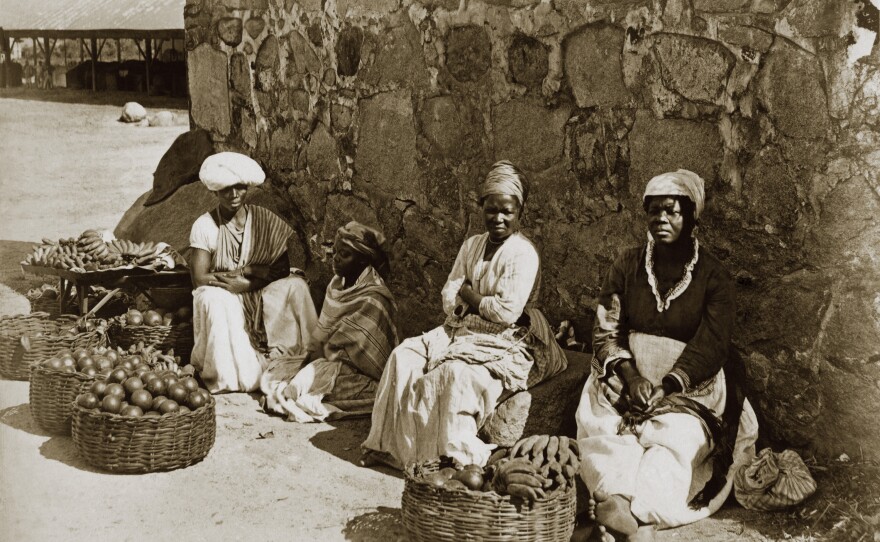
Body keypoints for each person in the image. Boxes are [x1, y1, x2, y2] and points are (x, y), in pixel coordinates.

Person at [574, 170, 759, 541]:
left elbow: (713, 343)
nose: (661, 219)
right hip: (627, 374)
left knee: (676, 441)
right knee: (606, 431)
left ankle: (642, 515)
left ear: (692, 218)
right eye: (654, 211)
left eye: (672, 211)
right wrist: (631, 377)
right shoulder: (627, 265)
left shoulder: (712, 275)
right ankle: (617, 500)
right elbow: (607, 327)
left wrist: (669, 386)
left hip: (691, 387)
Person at [361, 160, 568, 470]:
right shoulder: (472, 245)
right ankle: (388, 446)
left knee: (455, 374)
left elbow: (507, 311)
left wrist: (470, 295)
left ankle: (453, 457)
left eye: (507, 212)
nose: (498, 218)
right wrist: (467, 300)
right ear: (481, 208)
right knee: (403, 356)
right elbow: (448, 295)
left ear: (519, 212)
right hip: (461, 327)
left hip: (509, 338)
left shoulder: (522, 253)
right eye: (491, 210)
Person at [189, 152, 318, 393]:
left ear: (247, 187)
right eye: (226, 189)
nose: (234, 195)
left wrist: (248, 278)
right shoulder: (205, 225)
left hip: (256, 286)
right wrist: (233, 283)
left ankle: (304, 354)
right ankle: (234, 374)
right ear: (216, 192)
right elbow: (199, 278)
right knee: (211, 297)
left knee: (296, 285)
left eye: (239, 188)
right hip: (227, 292)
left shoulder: (264, 219)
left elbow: (281, 268)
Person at [260, 221, 399, 422]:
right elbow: (323, 334)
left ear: (362, 261)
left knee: (320, 375)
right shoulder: (336, 286)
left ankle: (291, 395)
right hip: (330, 360)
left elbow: (369, 356)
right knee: (291, 369)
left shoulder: (374, 299)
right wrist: (316, 357)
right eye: (335, 252)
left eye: (345, 255)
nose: (336, 259)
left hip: (360, 372)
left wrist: (326, 357)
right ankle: (292, 392)